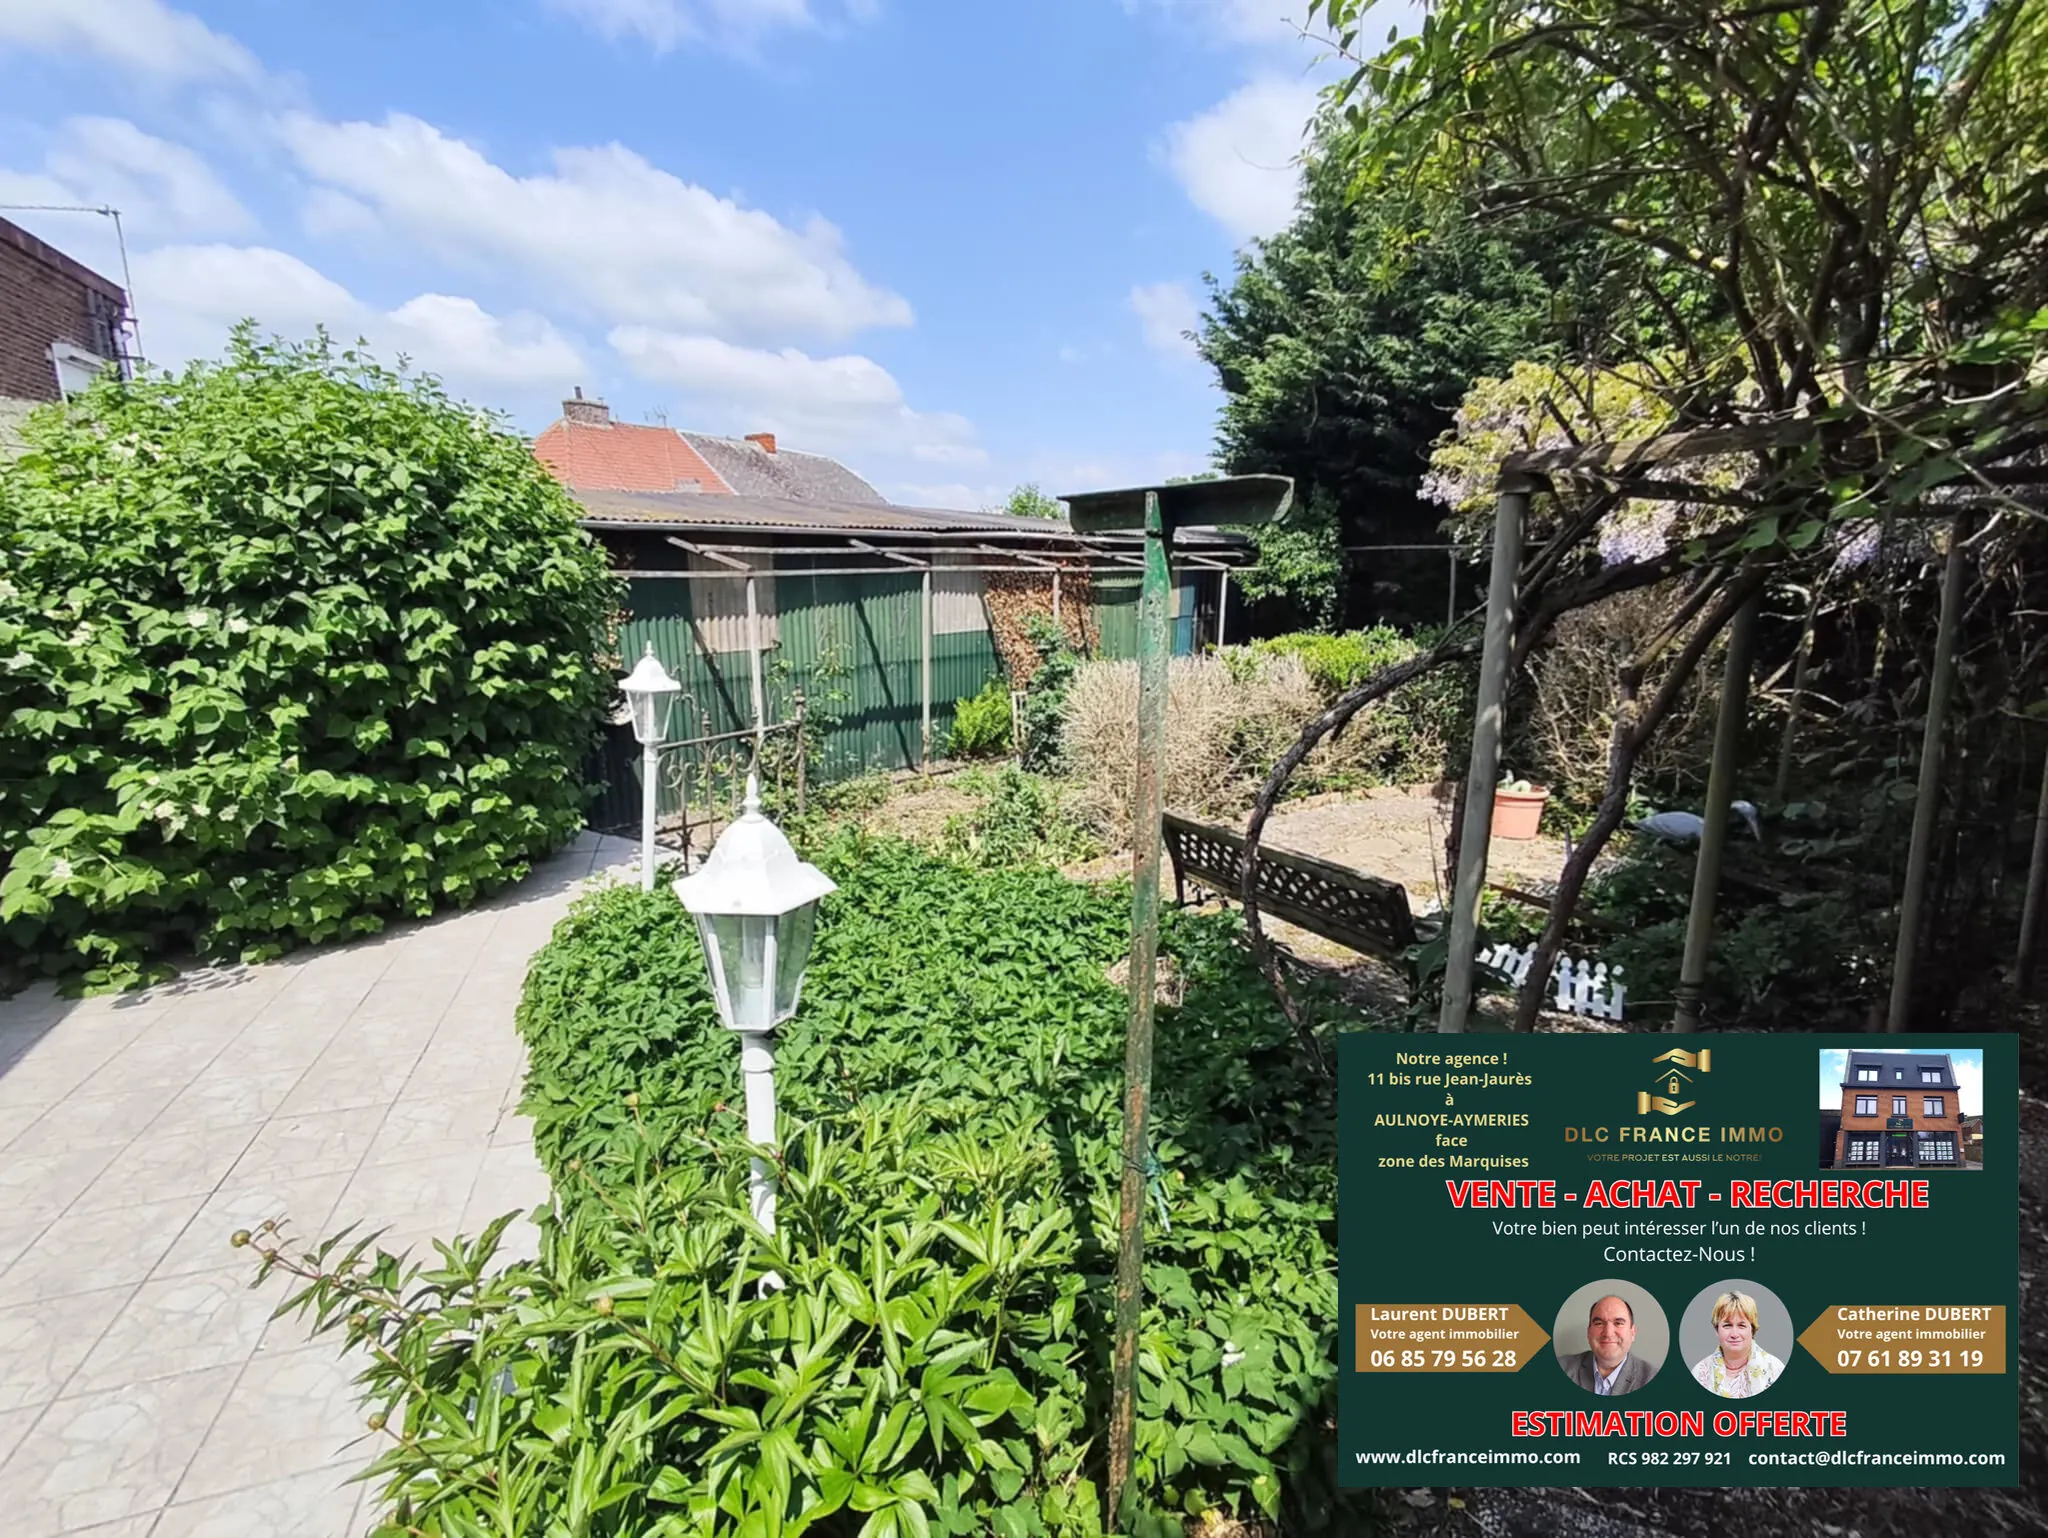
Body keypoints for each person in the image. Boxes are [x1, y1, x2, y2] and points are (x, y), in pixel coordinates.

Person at [1690, 1290, 1784, 1398]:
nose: (1734, 1334)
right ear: (1717, 1329)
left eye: (1741, 1326)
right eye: (1727, 1325)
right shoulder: (1700, 1372)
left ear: (1752, 1329)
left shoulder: (1775, 1369)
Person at [1558, 1293, 1656, 1395]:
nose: (1608, 1333)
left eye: (1618, 1323)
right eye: (1599, 1323)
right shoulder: (1562, 1367)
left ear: (1633, 1333)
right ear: (1588, 1332)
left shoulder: (1651, 1377)